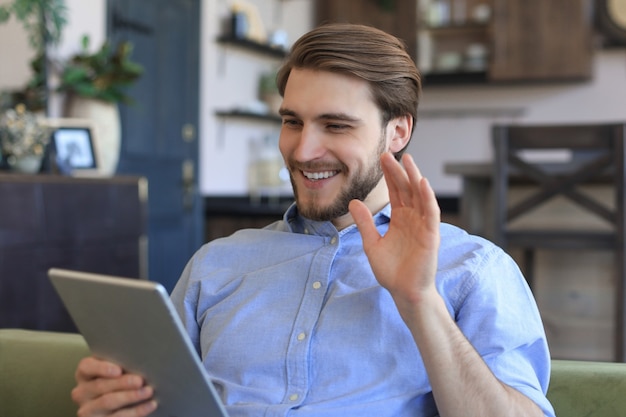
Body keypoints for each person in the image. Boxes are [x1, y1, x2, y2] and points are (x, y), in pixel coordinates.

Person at [72, 23, 555, 417]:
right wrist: (118, 402)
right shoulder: (215, 264)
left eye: (336, 125)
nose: (303, 151)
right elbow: (164, 399)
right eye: (292, 121)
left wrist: (420, 301)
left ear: (398, 131)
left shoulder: (472, 269)